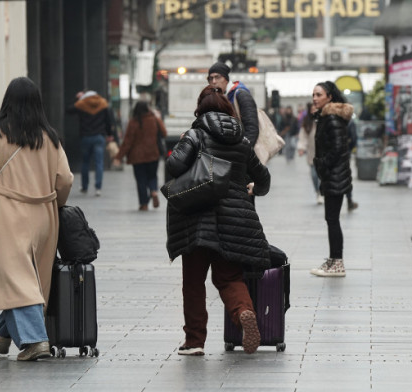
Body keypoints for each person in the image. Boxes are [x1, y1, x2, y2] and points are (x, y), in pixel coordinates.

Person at [166, 86, 271, 356]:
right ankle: (244, 312)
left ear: (199, 109)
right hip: (234, 222)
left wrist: (180, 145)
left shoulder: (195, 134)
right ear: (227, 109)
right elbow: (263, 179)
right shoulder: (242, 142)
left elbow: (174, 167)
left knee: (193, 282)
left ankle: (195, 341)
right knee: (228, 277)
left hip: (197, 219)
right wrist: (252, 189)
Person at [0, 77, 73, 362]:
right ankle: (2, 331)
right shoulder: (50, 138)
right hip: (43, 215)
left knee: (18, 280)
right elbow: (64, 179)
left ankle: (35, 341)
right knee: (30, 279)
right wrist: (56, 204)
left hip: (6, 213)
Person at [309, 81, 354, 278]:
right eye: (314, 95)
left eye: (319, 94)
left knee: (332, 219)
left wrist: (322, 165)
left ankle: (337, 262)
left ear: (329, 96)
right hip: (333, 175)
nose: (315, 98)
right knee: (331, 219)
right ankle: (333, 260)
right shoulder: (326, 117)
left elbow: (337, 149)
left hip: (335, 175)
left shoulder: (332, 119)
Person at [115, 101, 167, 211]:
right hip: (153, 153)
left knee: (141, 180)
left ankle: (144, 204)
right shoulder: (154, 119)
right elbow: (164, 133)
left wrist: (118, 157)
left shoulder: (133, 122)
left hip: (137, 157)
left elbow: (127, 142)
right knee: (152, 176)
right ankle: (153, 191)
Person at [68, 90, 115, 196]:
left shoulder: (82, 103)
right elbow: (108, 121)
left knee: (85, 162)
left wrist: (78, 98)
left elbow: (69, 110)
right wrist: (110, 134)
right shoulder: (103, 103)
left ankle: (84, 187)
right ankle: (98, 187)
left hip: (86, 136)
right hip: (99, 136)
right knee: (99, 162)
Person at [207, 62, 259, 145]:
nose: (214, 81)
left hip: (242, 151)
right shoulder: (217, 97)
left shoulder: (241, 95)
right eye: (211, 78)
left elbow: (252, 128)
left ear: (226, 79)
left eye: (217, 77)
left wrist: (245, 150)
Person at [297, 103, 323, 205]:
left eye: (316, 109)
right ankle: (317, 191)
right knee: (314, 176)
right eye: (312, 109)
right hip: (312, 154)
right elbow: (303, 137)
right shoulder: (307, 123)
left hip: (323, 154)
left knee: (321, 176)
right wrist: (301, 148)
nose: (314, 111)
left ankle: (321, 193)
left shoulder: (323, 121)